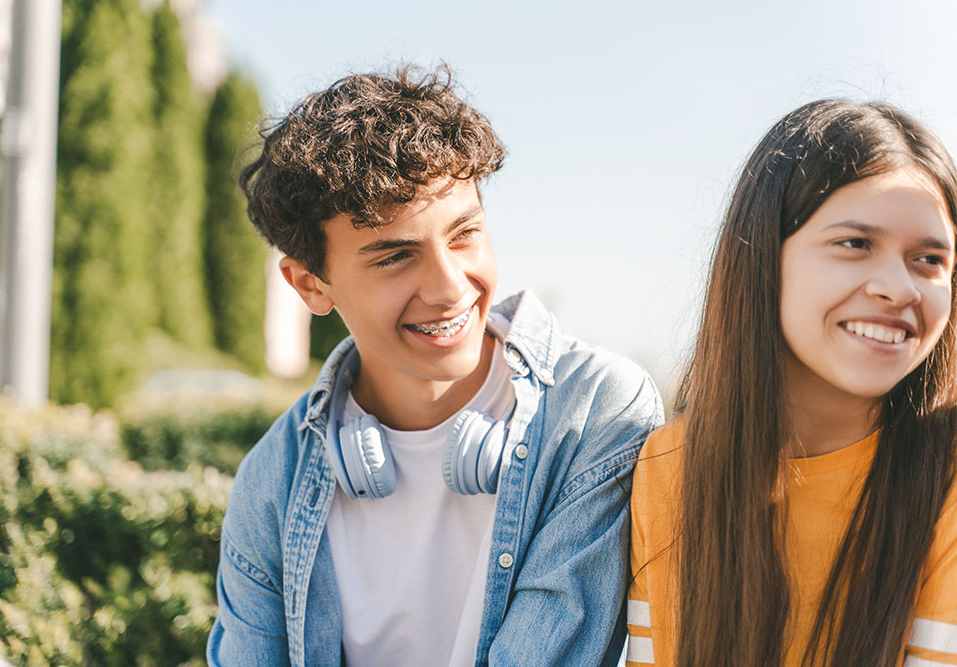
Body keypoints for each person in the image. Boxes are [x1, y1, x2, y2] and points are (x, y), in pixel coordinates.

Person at [206, 65, 663, 667]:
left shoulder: (597, 412)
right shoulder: (274, 481)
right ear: (311, 284)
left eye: (465, 234)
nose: (451, 288)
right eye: (396, 257)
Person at [625, 99, 957, 667]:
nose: (899, 288)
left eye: (929, 259)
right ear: (762, 259)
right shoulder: (669, 465)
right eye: (855, 244)